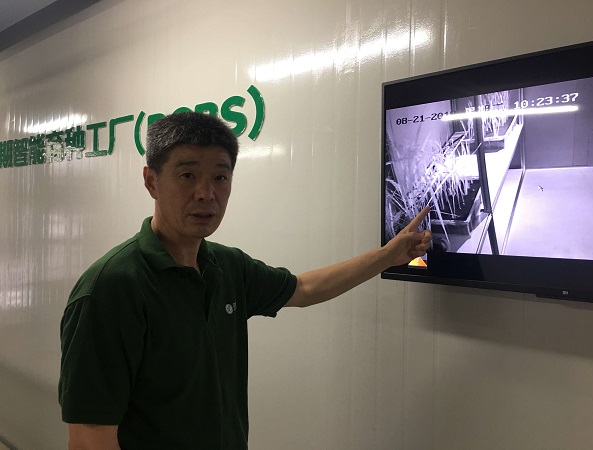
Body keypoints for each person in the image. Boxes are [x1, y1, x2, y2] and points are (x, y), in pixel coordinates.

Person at [59, 112, 432, 450]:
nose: (206, 193)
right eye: (188, 175)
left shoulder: (227, 266)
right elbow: (90, 436)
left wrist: (388, 256)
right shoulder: (112, 287)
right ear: (151, 181)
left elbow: (303, 289)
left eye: (220, 177)